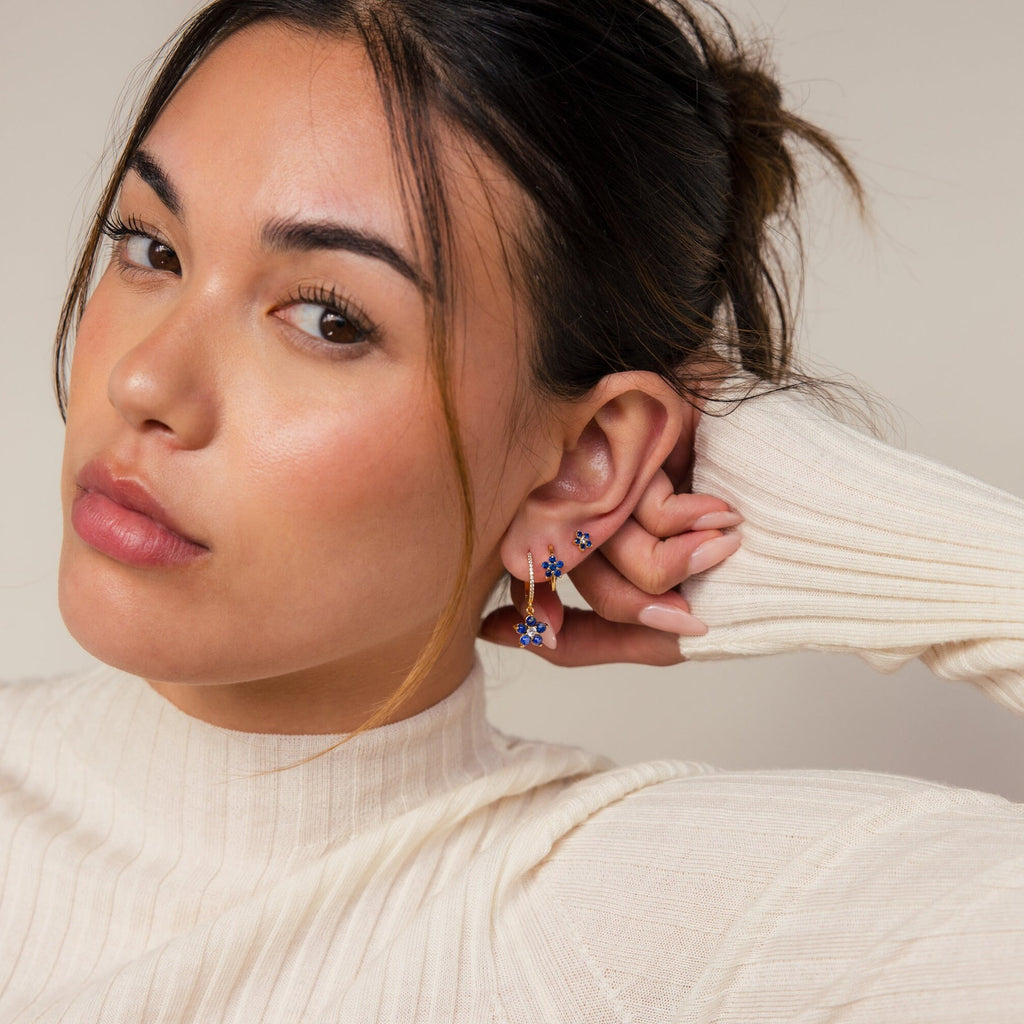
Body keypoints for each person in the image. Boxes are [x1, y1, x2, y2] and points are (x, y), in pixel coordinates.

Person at [1, 2, 1022, 1022]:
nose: (144, 380)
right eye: (149, 247)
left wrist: (870, 544)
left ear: (583, 463)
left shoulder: (645, 927)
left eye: (328, 318)